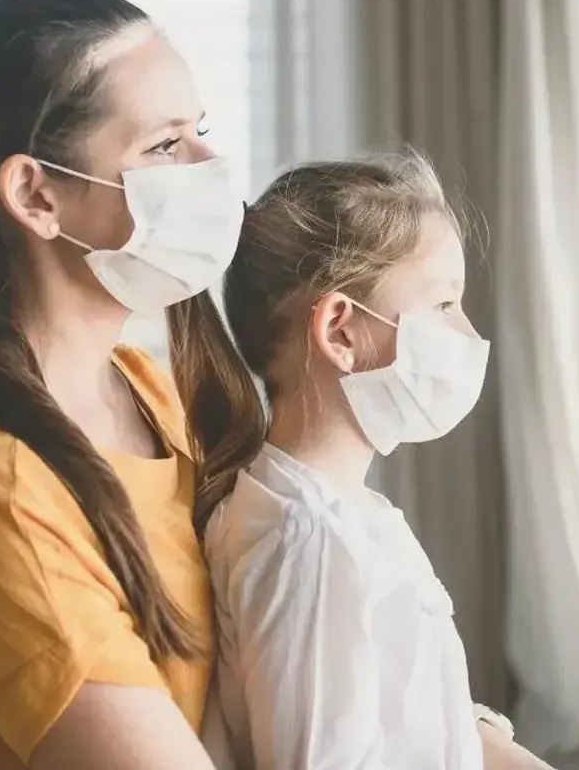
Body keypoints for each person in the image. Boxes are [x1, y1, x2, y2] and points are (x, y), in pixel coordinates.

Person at [0, 0, 242, 769]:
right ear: (37, 195)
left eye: (199, 132)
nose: (213, 167)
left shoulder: (142, 391)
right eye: (165, 147)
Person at [173, 151, 553, 769]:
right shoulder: (308, 539)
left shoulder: (344, 513)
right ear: (341, 331)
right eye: (443, 306)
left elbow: (418, 720)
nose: (467, 336)